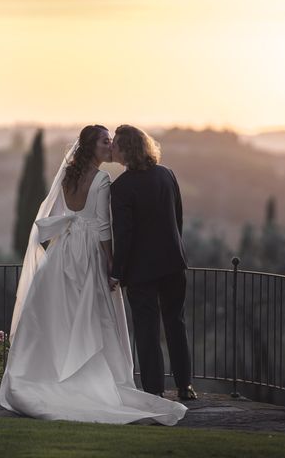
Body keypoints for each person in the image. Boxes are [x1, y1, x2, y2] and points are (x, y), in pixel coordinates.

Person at [0, 124, 187, 425]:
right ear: (92, 147)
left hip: (64, 251)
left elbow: (68, 216)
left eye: (111, 142)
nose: (109, 146)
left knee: (61, 317)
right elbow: (102, 229)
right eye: (104, 141)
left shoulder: (68, 177)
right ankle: (97, 379)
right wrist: (113, 265)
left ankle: (53, 373)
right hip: (94, 253)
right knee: (97, 317)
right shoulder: (104, 179)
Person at [109, 124, 197, 401]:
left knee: (147, 331)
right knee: (175, 323)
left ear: (126, 150)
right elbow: (178, 219)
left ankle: (154, 391)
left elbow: (124, 235)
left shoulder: (121, 187)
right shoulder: (166, 174)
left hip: (141, 271)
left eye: (116, 145)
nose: (113, 149)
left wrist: (116, 272)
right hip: (173, 263)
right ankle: (185, 387)